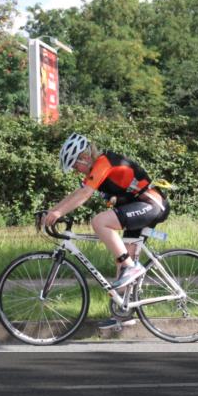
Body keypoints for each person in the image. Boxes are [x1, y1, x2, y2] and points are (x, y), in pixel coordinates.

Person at [43, 133, 170, 330]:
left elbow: (85, 194)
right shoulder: (94, 172)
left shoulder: (104, 162)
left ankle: (132, 267)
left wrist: (58, 212)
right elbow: (77, 193)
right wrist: (53, 211)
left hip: (152, 204)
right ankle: (123, 314)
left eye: (76, 166)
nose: (76, 171)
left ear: (84, 158)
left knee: (100, 222)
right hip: (137, 205)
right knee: (122, 261)